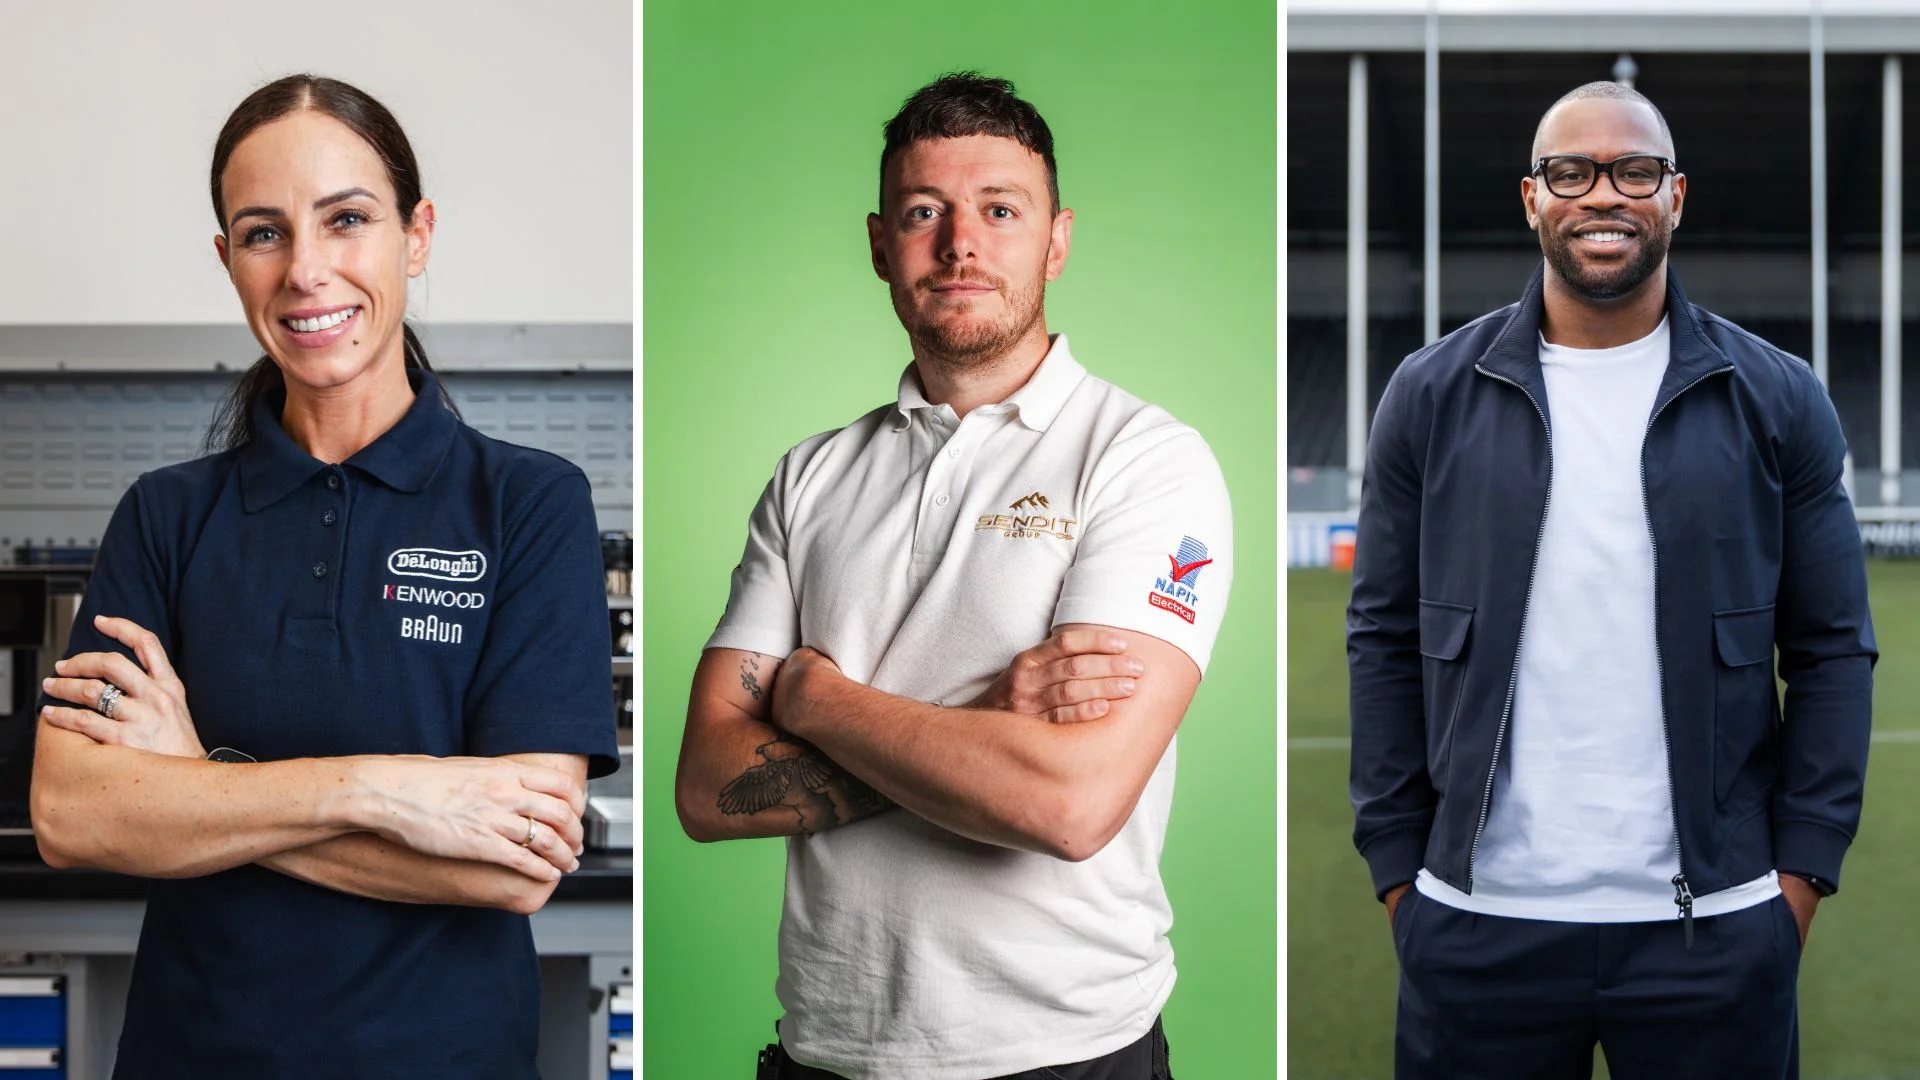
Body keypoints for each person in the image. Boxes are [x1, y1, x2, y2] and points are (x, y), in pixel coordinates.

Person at [31, 74, 619, 1078]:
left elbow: (515, 863)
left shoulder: (529, 503)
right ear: (228, 261)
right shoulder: (166, 516)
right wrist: (388, 793)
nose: (306, 270)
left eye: (346, 220)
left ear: (416, 234)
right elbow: (72, 813)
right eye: (263, 234)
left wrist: (198, 786)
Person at [674, 72, 1232, 1080]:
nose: (961, 244)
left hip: (1067, 1054)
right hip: (828, 1055)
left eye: (1000, 211)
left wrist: (811, 694)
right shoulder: (812, 477)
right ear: (882, 243)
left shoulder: (1147, 460)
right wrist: (990, 735)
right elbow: (711, 788)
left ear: (1056, 240)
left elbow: (1069, 805)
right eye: (925, 212)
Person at [1347, 80, 1877, 1077]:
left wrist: (1797, 881)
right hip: (1475, 927)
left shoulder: (1776, 395)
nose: (1604, 193)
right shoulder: (1429, 393)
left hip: (1714, 933)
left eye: (1635, 171)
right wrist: (1399, 877)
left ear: (1674, 197)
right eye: (1571, 171)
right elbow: (1379, 638)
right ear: (1533, 197)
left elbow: (1833, 648)